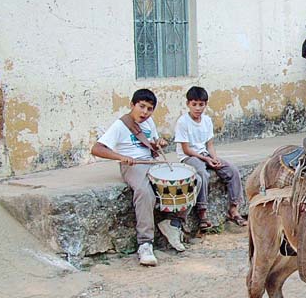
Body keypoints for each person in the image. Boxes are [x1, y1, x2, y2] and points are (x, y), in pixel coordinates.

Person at [91, 89, 186, 266]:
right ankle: (145, 243)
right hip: (132, 165)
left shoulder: (149, 123)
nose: (144, 112)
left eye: (149, 109)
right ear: (132, 105)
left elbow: (153, 145)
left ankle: (173, 224)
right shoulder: (120, 125)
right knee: (145, 192)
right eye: (141, 107)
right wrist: (120, 157)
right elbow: (97, 149)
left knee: (185, 180)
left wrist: (159, 144)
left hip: (150, 163)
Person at [174, 86, 247, 230]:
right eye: (194, 104)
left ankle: (234, 209)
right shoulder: (183, 122)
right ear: (188, 104)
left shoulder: (207, 121)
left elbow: (210, 145)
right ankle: (203, 213)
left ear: (205, 105)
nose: (197, 108)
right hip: (189, 157)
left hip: (205, 154)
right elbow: (186, 149)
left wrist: (214, 158)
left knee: (231, 170)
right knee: (202, 173)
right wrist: (206, 160)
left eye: (201, 105)